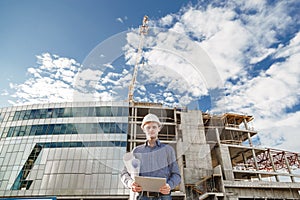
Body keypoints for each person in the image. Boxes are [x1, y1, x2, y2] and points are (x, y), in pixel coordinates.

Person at [121, 113, 181, 200]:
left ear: (159, 129)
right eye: (148, 127)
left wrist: (169, 185)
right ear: (144, 129)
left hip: (163, 197)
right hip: (142, 196)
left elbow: (176, 175)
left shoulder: (168, 150)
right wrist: (130, 183)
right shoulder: (137, 151)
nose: (151, 130)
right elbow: (124, 173)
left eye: (154, 127)